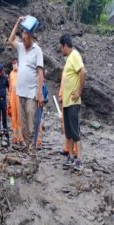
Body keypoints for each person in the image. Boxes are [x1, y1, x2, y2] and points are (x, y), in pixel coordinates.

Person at [8, 16, 44, 156]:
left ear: (31, 36)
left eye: (25, 36)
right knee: (23, 126)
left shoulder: (37, 50)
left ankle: (32, 149)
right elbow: (10, 40)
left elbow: (40, 73)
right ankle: (29, 147)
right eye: (22, 35)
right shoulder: (21, 48)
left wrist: (40, 93)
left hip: (32, 94)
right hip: (20, 92)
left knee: (31, 123)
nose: (23, 38)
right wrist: (17, 23)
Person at [60, 34, 86, 171]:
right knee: (69, 132)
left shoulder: (75, 55)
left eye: (61, 47)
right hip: (67, 102)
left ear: (65, 45)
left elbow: (83, 72)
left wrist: (79, 92)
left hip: (73, 102)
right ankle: (70, 157)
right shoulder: (69, 59)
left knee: (75, 131)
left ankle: (79, 160)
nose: (61, 50)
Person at [8, 58, 24, 149]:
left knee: (19, 118)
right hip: (12, 97)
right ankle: (15, 137)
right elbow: (10, 87)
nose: (14, 65)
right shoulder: (11, 74)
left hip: (19, 96)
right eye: (13, 63)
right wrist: (9, 100)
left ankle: (21, 138)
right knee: (14, 117)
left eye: (15, 63)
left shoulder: (21, 73)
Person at [0, 64, 9, 142]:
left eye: (1, 71)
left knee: (4, 118)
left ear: (3, 70)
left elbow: (9, 87)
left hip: (4, 100)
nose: (0, 73)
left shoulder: (5, 78)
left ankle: (6, 136)